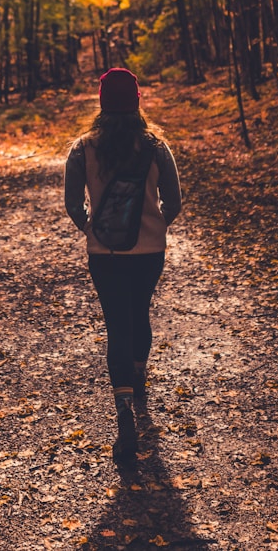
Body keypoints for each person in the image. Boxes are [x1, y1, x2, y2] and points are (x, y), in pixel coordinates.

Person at [64, 67, 182, 459]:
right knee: (140, 314)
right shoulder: (155, 146)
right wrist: (154, 225)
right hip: (150, 250)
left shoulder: (83, 147)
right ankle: (138, 376)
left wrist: (92, 228)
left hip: (105, 253)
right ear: (136, 101)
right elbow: (175, 201)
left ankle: (124, 413)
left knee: (117, 324)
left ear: (101, 103)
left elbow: (71, 204)